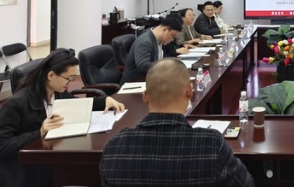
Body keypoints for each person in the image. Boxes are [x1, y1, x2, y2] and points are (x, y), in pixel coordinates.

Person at [100, 58, 254, 186]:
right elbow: (247, 184)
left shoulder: (114, 148)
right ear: (190, 91)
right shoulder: (212, 145)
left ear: (145, 97)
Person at [0, 49, 124, 187]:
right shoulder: (16, 104)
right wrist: (39, 133)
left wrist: (105, 100)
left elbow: (75, 104)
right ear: (51, 75)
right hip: (25, 170)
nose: (70, 83)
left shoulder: (57, 92)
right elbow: (2, 144)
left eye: (73, 78)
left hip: (51, 156)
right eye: (68, 78)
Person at [120, 14, 185, 84]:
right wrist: (166, 65)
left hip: (150, 80)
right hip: (135, 84)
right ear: (164, 30)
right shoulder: (145, 42)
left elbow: (157, 60)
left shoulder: (158, 40)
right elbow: (143, 66)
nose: (172, 39)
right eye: (173, 36)